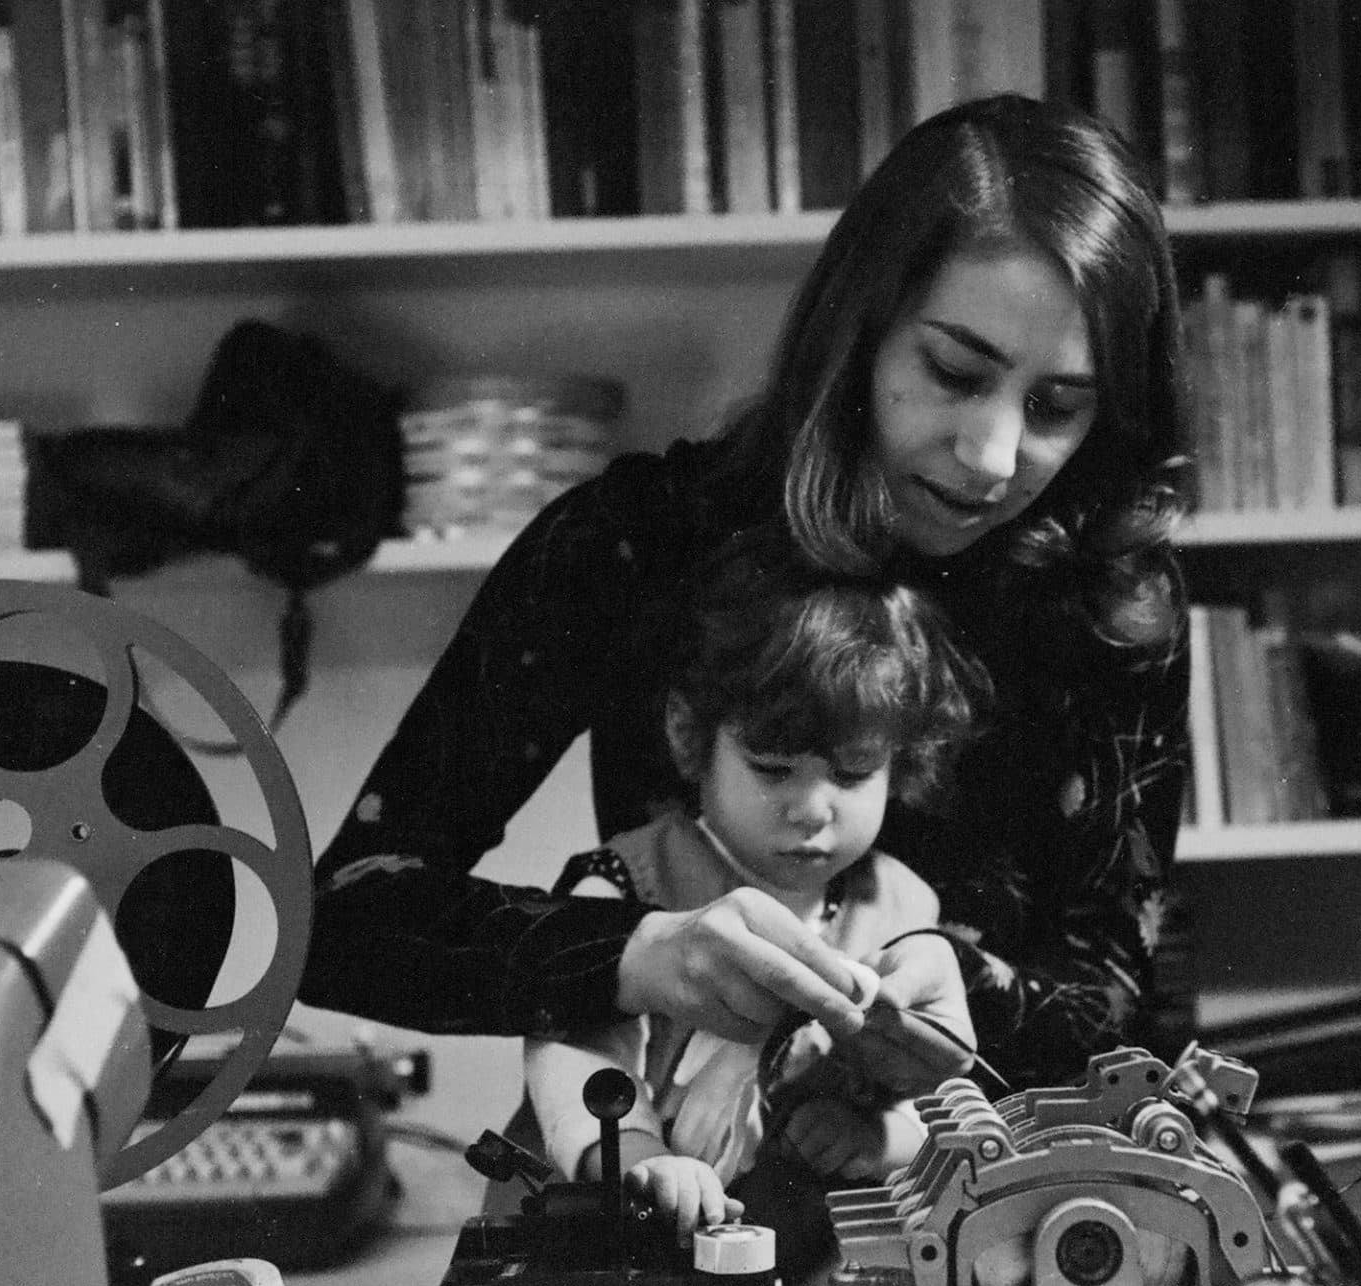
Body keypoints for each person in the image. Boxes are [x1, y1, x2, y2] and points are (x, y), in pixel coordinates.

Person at [300, 92, 1195, 1100]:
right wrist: (641, 954)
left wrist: (968, 989)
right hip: (692, 1172)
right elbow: (343, 919)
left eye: (1057, 406)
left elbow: (1116, 988)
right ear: (855, 334)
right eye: (952, 371)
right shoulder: (632, 544)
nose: (991, 456)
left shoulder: (1113, 598)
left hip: (990, 1179)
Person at [523, 530, 987, 1267]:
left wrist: (878, 1138)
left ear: (901, 763)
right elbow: (569, 1052)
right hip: (618, 1243)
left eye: (854, 773)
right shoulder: (625, 884)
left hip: (802, 1263)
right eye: (773, 770)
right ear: (691, 739)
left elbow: (936, 1104)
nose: (811, 810)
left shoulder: (904, 910)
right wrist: (640, 1154)